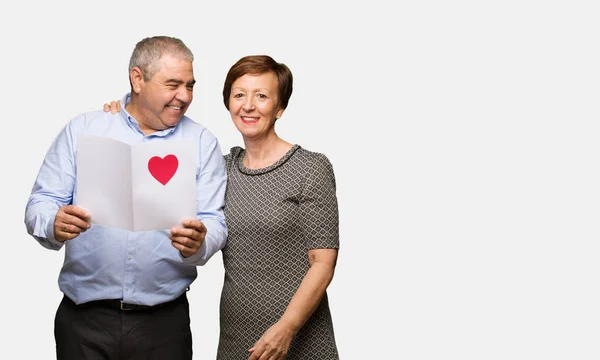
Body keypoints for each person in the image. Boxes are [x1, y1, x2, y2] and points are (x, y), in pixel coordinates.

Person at [105, 54, 340, 359]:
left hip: (297, 338)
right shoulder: (221, 168)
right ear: (228, 102)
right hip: (235, 338)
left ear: (280, 107)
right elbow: (154, 186)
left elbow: (322, 263)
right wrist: (124, 119)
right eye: (239, 95)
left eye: (262, 96)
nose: (248, 105)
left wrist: (286, 328)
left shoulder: (310, 168)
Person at [25, 35, 228, 360]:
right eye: (173, 84)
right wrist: (53, 221)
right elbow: (40, 204)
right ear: (138, 79)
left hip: (164, 325)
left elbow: (214, 221)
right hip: (84, 323)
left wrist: (200, 243)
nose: (185, 96)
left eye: (190, 85)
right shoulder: (85, 129)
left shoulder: (202, 142)